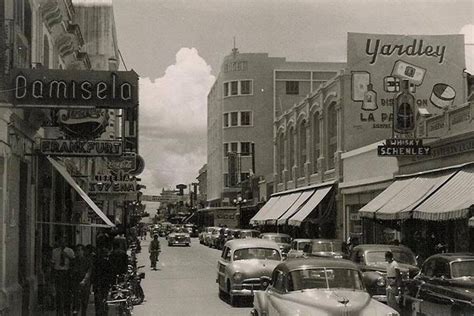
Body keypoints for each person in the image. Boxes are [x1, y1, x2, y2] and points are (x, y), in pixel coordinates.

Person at [51, 236, 75, 316]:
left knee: (66, 293)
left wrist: (66, 255)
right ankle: (59, 312)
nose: (62, 244)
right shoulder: (54, 251)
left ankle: (67, 311)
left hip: (66, 273)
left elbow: (73, 261)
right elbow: (53, 262)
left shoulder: (70, 251)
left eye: (64, 242)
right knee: (59, 292)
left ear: (66, 243)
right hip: (58, 272)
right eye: (60, 242)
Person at [91, 237, 114, 316]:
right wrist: (111, 282)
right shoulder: (107, 261)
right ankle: (104, 312)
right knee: (104, 298)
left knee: (98, 299)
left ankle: (99, 313)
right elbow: (110, 272)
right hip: (104, 283)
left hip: (97, 282)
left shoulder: (95, 259)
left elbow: (93, 271)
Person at [70, 244, 92, 316]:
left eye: (80, 250)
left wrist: (84, 280)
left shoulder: (87, 260)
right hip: (76, 283)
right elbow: (71, 271)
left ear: (83, 251)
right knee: (76, 302)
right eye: (77, 250)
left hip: (85, 284)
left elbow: (89, 271)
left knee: (84, 302)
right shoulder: (73, 261)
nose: (78, 252)